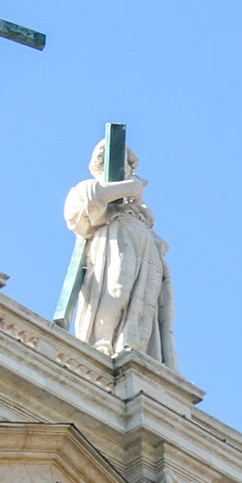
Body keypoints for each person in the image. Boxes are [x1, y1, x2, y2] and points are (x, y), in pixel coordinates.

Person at [64, 142, 175, 366]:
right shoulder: (86, 187)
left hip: (146, 247)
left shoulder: (139, 204)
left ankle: (135, 347)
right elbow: (80, 211)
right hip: (114, 240)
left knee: (146, 301)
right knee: (117, 289)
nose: (125, 167)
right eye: (116, 160)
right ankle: (102, 343)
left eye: (126, 162)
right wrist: (128, 188)